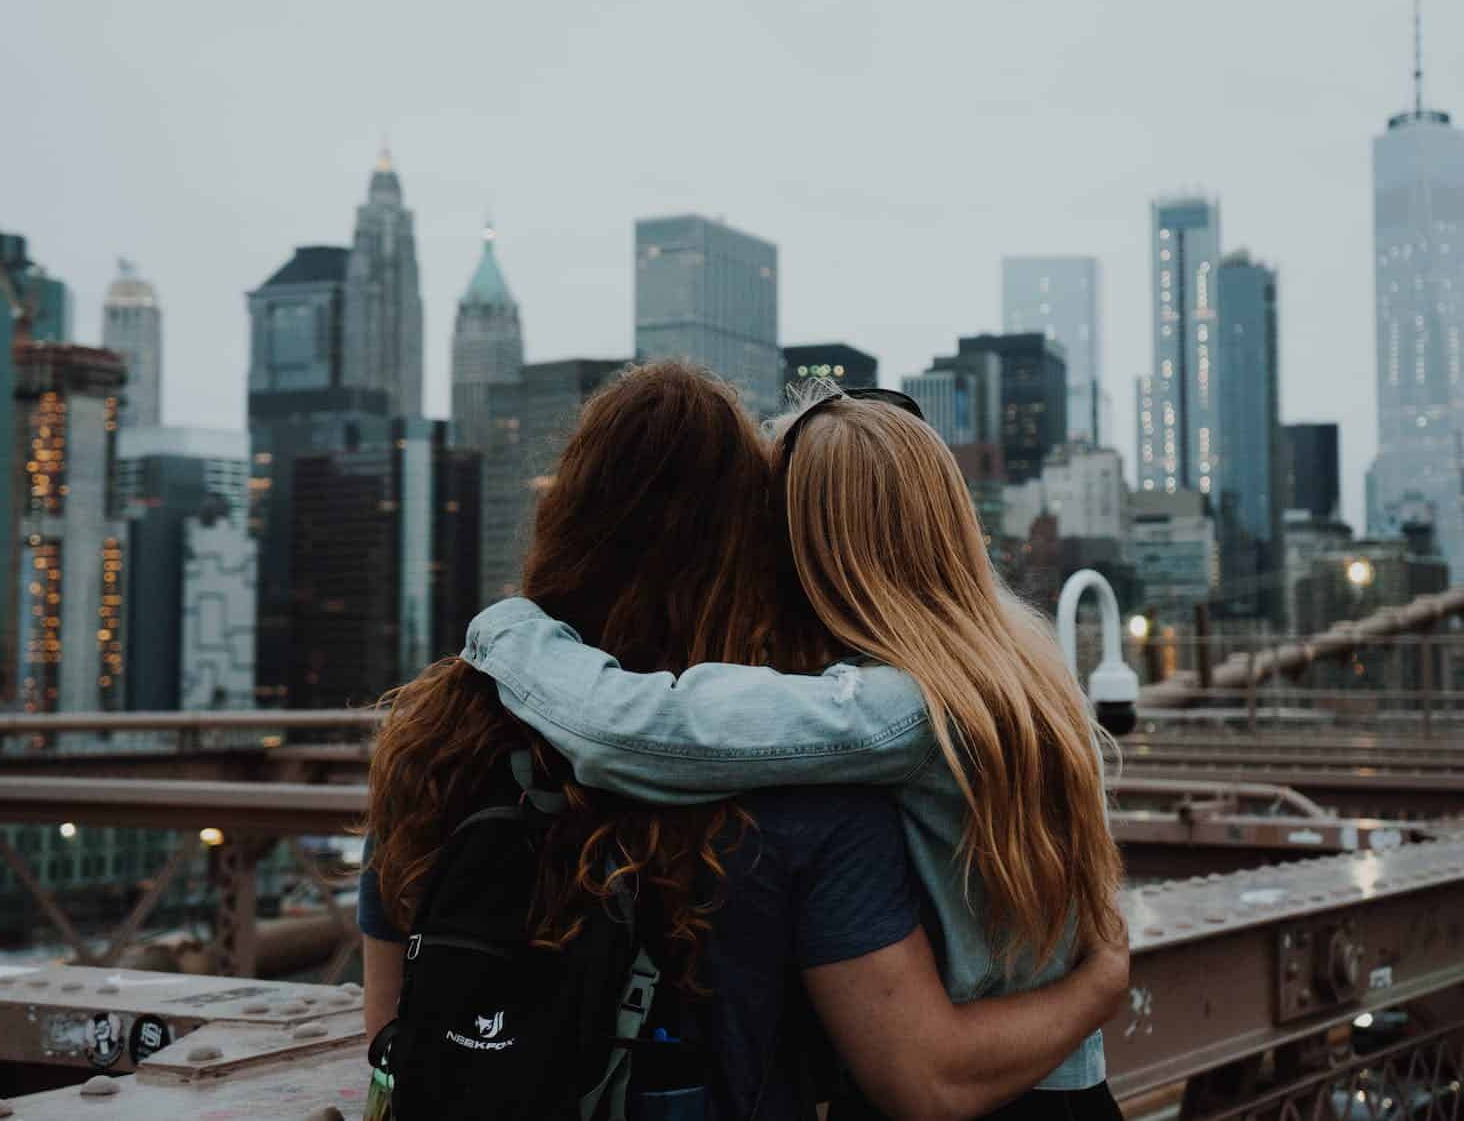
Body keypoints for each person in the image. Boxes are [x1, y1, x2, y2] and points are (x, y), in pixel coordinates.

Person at [363, 364, 1129, 1120]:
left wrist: (505, 629)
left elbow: (638, 728)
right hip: (1046, 1082)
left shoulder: (429, 743)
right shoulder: (1025, 676)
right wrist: (1096, 986)